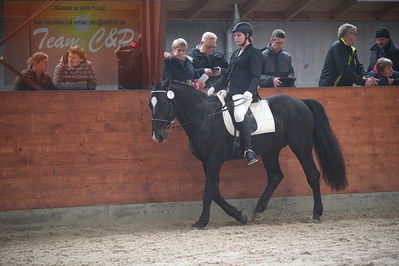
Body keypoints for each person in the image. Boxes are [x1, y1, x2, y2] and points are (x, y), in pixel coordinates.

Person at [208, 22, 263, 165]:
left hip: (245, 94)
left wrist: (250, 91)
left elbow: (256, 76)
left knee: (239, 114)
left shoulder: (254, 53)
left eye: (239, 35)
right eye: (235, 36)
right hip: (231, 93)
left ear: (247, 36)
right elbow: (227, 76)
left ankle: (248, 150)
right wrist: (214, 87)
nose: (236, 38)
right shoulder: (235, 54)